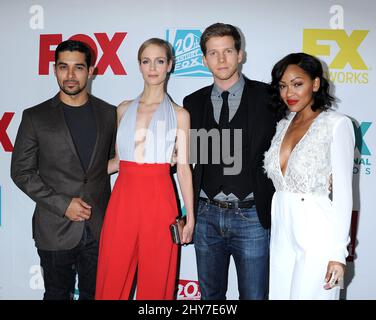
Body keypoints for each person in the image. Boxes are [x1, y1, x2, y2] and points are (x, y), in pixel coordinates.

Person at [11, 40, 117, 300]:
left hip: (99, 227)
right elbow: (21, 172)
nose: (70, 76)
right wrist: (62, 204)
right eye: (63, 67)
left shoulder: (109, 114)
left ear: (90, 71)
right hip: (54, 227)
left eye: (78, 68)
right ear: (54, 70)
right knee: (57, 295)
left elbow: (116, 160)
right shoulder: (35, 117)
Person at [95, 38, 194, 300]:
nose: (153, 68)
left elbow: (183, 169)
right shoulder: (123, 109)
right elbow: (118, 161)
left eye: (159, 61)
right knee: (111, 276)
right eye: (146, 61)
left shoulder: (179, 114)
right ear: (139, 65)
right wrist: (75, 177)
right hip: (123, 201)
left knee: (158, 280)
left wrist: (190, 218)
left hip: (160, 202)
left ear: (169, 65)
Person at [183, 23, 276, 300]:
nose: (221, 59)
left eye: (227, 51)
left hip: (251, 216)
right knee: (210, 298)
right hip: (206, 215)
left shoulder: (268, 98)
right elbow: (190, 159)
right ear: (204, 59)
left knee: (254, 295)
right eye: (213, 53)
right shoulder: (192, 102)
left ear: (240, 54)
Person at [264, 52, 354, 299]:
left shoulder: (337, 124)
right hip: (282, 232)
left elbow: (344, 194)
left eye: (297, 84)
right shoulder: (284, 124)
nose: (289, 93)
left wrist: (338, 254)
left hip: (317, 232)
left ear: (315, 84)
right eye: (283, 86)